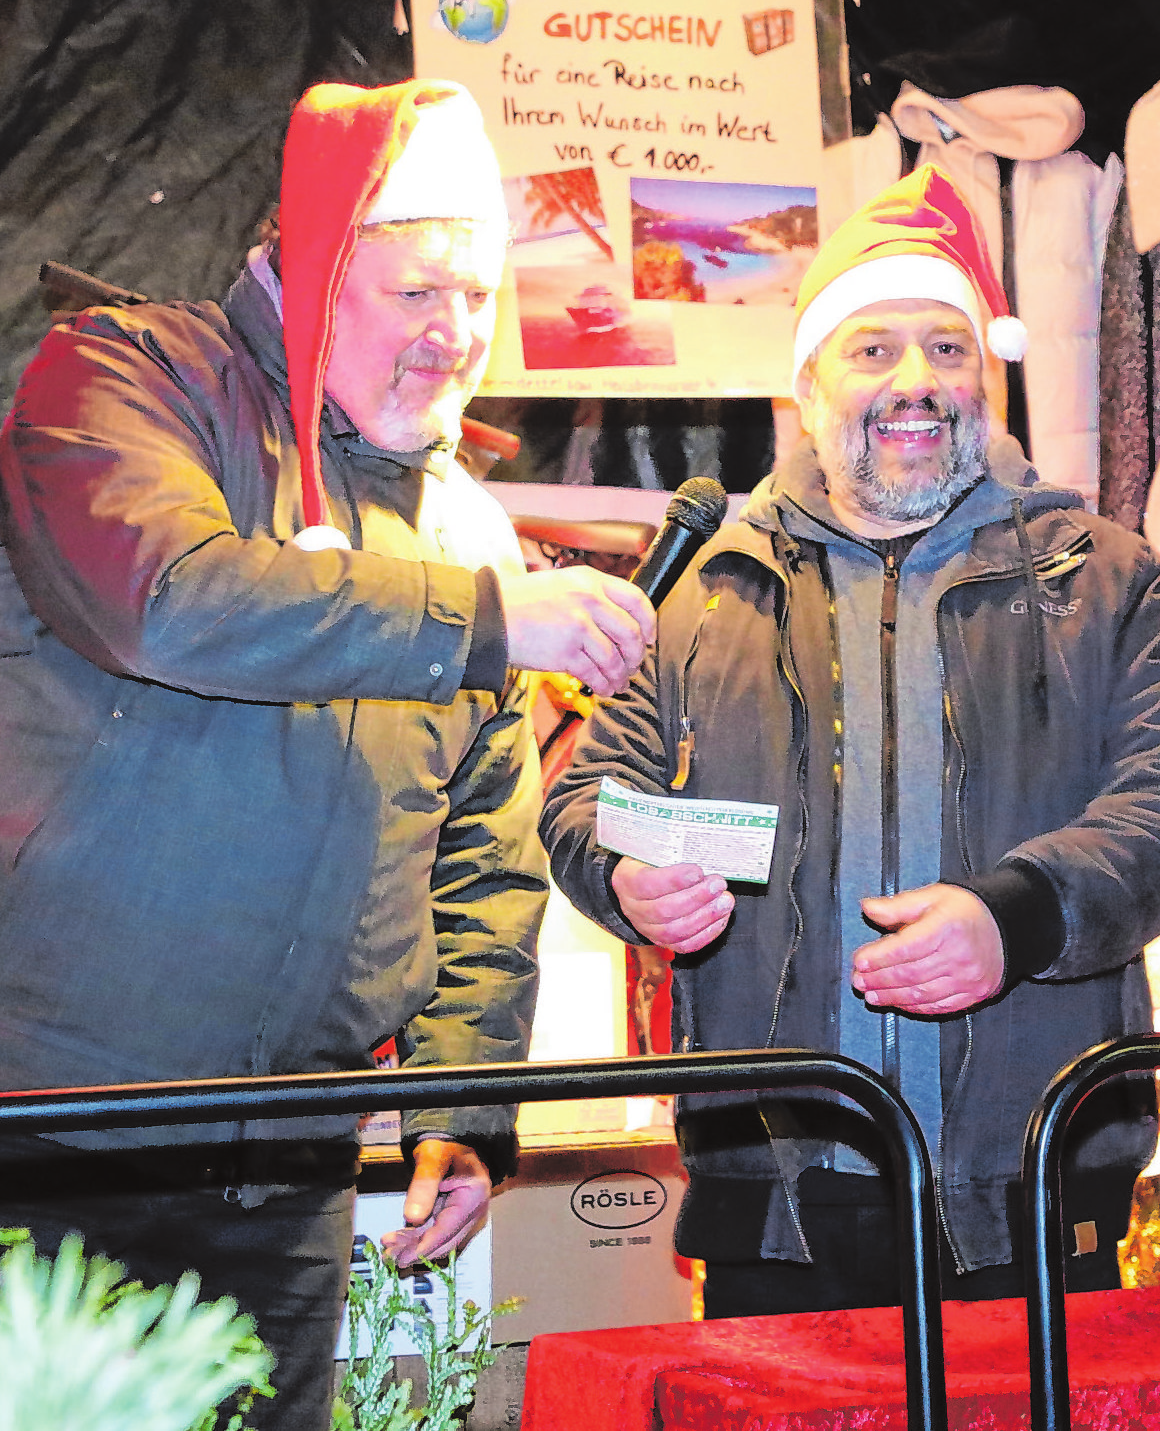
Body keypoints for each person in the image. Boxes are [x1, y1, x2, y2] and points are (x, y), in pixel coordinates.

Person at [0, 79, 652, 1429]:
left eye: (479, 300)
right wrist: (489, 614)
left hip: (282, 1173)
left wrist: (463, 1105)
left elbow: (486, 851)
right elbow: (162, 595)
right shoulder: (126, 379)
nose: (456, 335)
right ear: (310, 266)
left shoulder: (461, 521)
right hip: (47, 1131)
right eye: (419, 292)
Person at [540, 163, 1160, 1318]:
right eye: (872, 348)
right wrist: (626, 875)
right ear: (808, 381)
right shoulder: (703, 588)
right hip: (772, 1188)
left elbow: (1155, 804)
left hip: (1035, 1174)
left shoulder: (1109, 578)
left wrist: (1015, 913)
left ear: (987, 376)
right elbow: (586, 797)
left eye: (946, 347)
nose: (914, 380)